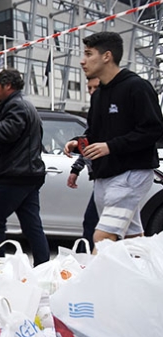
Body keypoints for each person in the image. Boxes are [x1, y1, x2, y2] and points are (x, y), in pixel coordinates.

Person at [64, 31, 163, 247]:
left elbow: (154, 129)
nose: (82, 61)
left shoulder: (137, 87)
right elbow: (94, 135)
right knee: (132, 240)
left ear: (107, 56)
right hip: (106, 176)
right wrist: (78, 143)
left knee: (102, 239)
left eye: (89, 54)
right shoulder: (99, 94)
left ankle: (93, 281)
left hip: (131, 175)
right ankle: (145, 277)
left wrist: (110, 147)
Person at [0, 68, 49, 266]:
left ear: (7, 86)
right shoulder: (24, 105)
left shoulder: (16, 106)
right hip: (27, 174)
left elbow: (8, 132)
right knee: (31, 224)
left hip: (15, 175)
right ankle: (43, 267)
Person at [66, 77, 101, 251]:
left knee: (94, 225)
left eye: (97, 87)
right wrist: (76, 169)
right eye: (89, 88)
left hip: (115, 178)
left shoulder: (105, 112)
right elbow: (89, 143)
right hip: (101, 178)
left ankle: (85, 263)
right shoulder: (95, 112)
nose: (92, 91)